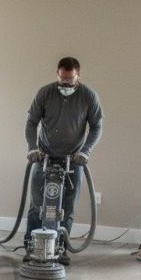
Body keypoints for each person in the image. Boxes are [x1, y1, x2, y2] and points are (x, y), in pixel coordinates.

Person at [24, 57, 104, 264]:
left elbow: (97, 127)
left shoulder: (89, 96)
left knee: (67, 207)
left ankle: (60, 248)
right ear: (57, 74)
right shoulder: (45, 93)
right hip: (44, 157)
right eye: (62, 78)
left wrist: (85, 151)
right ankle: (32, 247)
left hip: (74, 160)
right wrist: (32, 148)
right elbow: (31, 123)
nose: (65, 83)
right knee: (36, 205)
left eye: (69, 79)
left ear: (78, 75)